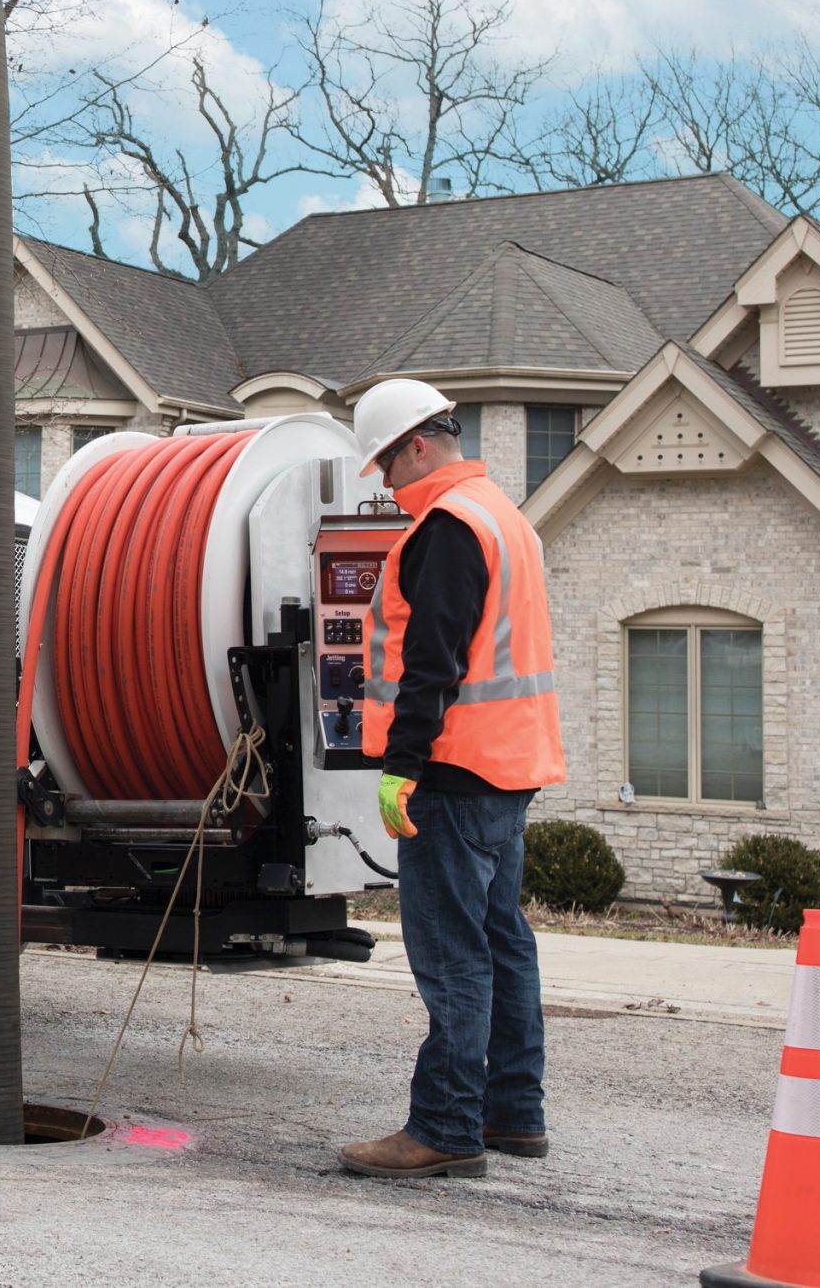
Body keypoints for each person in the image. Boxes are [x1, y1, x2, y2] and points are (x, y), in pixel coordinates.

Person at [336, 377, 568, 1181]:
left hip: (454, 768)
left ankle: (444, 1124)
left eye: (387, 465)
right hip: (509, 765)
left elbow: (432, 662)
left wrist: (400, 768)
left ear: (419, 445)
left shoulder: (446, 528)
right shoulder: (507, 518)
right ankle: (512, 1109)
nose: (386, 483)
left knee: (453, 952)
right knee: (504, 939)